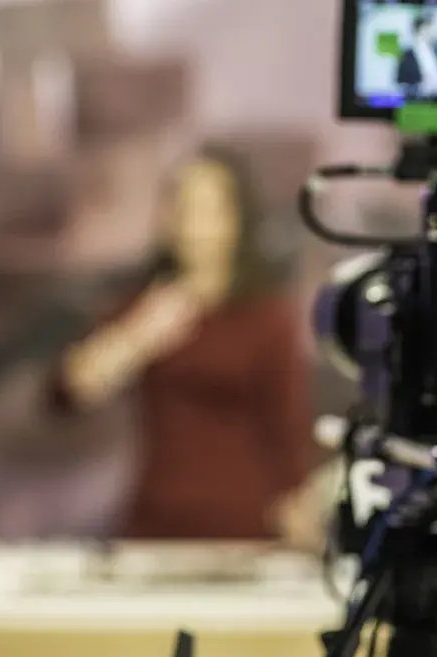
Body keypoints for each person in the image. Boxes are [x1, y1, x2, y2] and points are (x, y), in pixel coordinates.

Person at [52, 148, 320, 545]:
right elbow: (65, 394)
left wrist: (301, 513)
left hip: (244, 525)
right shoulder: (145, 307)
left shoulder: (266, 318)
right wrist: (138, 336)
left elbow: (286, 429)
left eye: (210, 210)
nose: (196, 226)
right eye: (185, 208)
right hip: (155, 521)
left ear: (237, 219)